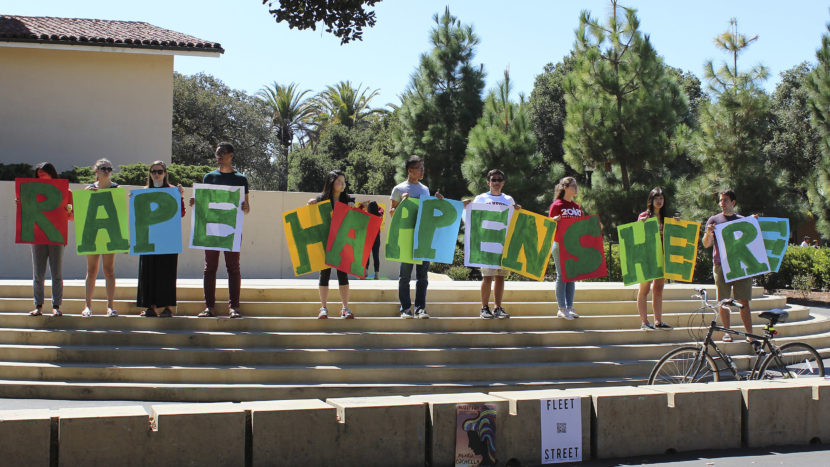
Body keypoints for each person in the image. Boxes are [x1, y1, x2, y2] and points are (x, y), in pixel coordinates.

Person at [192, 142, 250, 319]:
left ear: (231, 155)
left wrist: (245, 206)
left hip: (230, 229)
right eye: (217, 153)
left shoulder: (240, 179)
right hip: (210, 228)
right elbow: (204, 203)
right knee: (210, 267)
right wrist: (196, 204)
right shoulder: (209, 177)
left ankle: (233, 307)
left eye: (222, 153)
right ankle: (209, 307)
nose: (219, 156)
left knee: (233, 267)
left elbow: (247, 209)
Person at [389, 155, 443, 319]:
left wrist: (438, 202)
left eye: (422, 168)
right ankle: (405, 308)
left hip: (423, 236)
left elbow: (429, 212)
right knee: (404, 275)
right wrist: (404, 204)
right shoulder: (399, 189)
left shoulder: (425, 189)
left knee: (423, 276)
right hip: (406, 237)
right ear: (410, 170)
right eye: (419, 168)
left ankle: (420, 308)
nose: (422, 171)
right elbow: (393, 214)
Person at [20, 162, 73, 317]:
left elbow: (71, 216)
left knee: (56, 272)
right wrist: (21, 203)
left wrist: (66, 211)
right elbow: (26, 214)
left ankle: (56, 306)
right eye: (38, 174)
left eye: (43, 173)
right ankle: (38, 306)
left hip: (56, 235)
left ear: (52, 173)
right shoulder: (32, 193)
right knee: (38, 273)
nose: (40, 176)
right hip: (38, 235)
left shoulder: (65, 192)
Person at [701, 189, 753, 342]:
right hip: (721, 265)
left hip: (741, 266)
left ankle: (749, 335)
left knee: (744, 301)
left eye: (725, 200)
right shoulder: (713, 220)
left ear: (733, 202)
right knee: (723, 300)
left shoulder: (742, 220)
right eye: (720, 200)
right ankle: (727, 332)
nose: (722, 203)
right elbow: (706, 244)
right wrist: (708, 233)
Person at [470, 169, 520, 319]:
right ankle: (484, 308)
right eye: (493, 180)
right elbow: (473, 218)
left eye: (499, 180)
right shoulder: (480, 198)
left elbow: (513, 220)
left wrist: (518, 210)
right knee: (487, 277)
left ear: (503, 182)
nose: (496, 182)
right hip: (487, 243)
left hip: (502, 244)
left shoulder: (509, 199)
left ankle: (498, 307)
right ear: (488, 182)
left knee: (500, 277)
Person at [137, 161, 185, 318]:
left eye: (159, 171)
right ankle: (151, 307)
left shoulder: (172, 191)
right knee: (148, 272)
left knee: (167, 272)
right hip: (148, 239)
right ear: (150, 174)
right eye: (153, 171)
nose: (156, 174)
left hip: (168, 240)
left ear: (165, 173)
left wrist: (181, 197)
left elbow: (181, 213)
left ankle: (167, 308)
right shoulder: (144, 192)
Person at [308, 170, 355, 319]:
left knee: (343, 274)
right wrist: (311, 205)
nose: (342, 184)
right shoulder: (321, 199)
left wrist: (358, 209)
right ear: (331, 183)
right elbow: (312, 218)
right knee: (324, 274)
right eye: (339, 181)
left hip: (342, 242)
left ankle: (345, 308)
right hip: (325, 241)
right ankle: (323, 308)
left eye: (344, 181)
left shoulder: (348, 200)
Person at [82, 158, 119, 317]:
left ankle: (110, 306)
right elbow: (82, 212)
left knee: (109, 271)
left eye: (109, 168)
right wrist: (87, 196)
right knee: (91, 271)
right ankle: (87, 306)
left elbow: (120, 213)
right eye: (103, 168)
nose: (106, 171)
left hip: (109, 233)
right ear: (96, 171)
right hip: (93, 233)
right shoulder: (88, 189)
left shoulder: (116, 188)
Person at [636, 187, 671, 330]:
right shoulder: (644, 216)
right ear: (651, 200)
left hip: (661, 257)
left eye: (661, 198)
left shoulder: (666, 218)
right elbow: (636, 236)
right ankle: (644, 322)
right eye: (656, 198)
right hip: (647, 257)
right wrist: (640, 225)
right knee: (644, 289)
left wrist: (677, 225)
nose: (659, 201)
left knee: (659, 289)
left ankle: (658, 321)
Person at [548, 176, 582, 320]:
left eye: (576, 185)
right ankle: (561, 308)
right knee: (562, 276)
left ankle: (570, 307)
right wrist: (553, 220)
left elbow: (581, 226)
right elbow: (547, 225)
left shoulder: (577, 207)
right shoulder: (557, 205)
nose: (576, 188)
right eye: (573, 185)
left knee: (571, 277)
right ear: (565, 188)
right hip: (559, 243)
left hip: (573, 245)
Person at [363, 200, 384, 279]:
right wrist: (376, 205)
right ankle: (376, 274)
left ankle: (366, 272)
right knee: (376, 255)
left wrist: (364, 205)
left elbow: (358, 209)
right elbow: (381, 209)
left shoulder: (366, 214)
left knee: (366, 255)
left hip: (368, 236)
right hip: (376, 236)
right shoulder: (379, 215)